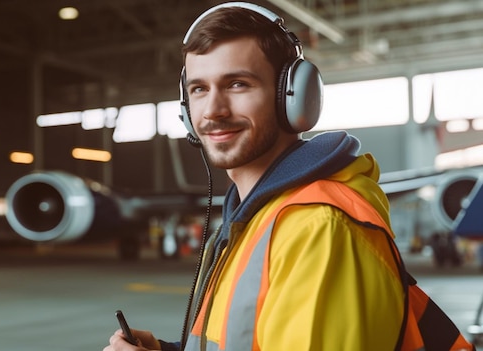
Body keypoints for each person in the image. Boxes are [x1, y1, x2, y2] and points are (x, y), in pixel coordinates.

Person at [104, 2, 470, 350]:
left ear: (292, 97)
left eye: (237, 84)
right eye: (199, 89)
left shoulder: (318, 226)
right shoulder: (255, 218)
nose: (212, 111)